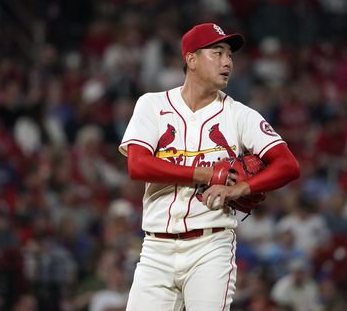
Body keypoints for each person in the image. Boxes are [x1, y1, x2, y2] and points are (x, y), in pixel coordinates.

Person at [118, 23, 301, 310]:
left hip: (210, 246)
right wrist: (203, 173)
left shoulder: (239, 115)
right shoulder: (152, 105)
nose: (227, 61)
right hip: (156, 248)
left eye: (229, 55)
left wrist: (243, 186)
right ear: (191, 59)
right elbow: (137, 165)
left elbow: (288, 164)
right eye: (217, 53)